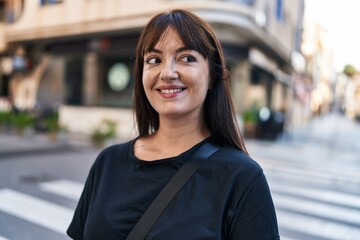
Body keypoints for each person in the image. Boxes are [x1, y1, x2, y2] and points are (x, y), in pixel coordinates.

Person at [67, 9, 279, 240]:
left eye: (186, 58)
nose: (167, 73)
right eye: (154, 60)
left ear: (212, 77)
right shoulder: (107, 163)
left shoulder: (243, 178)